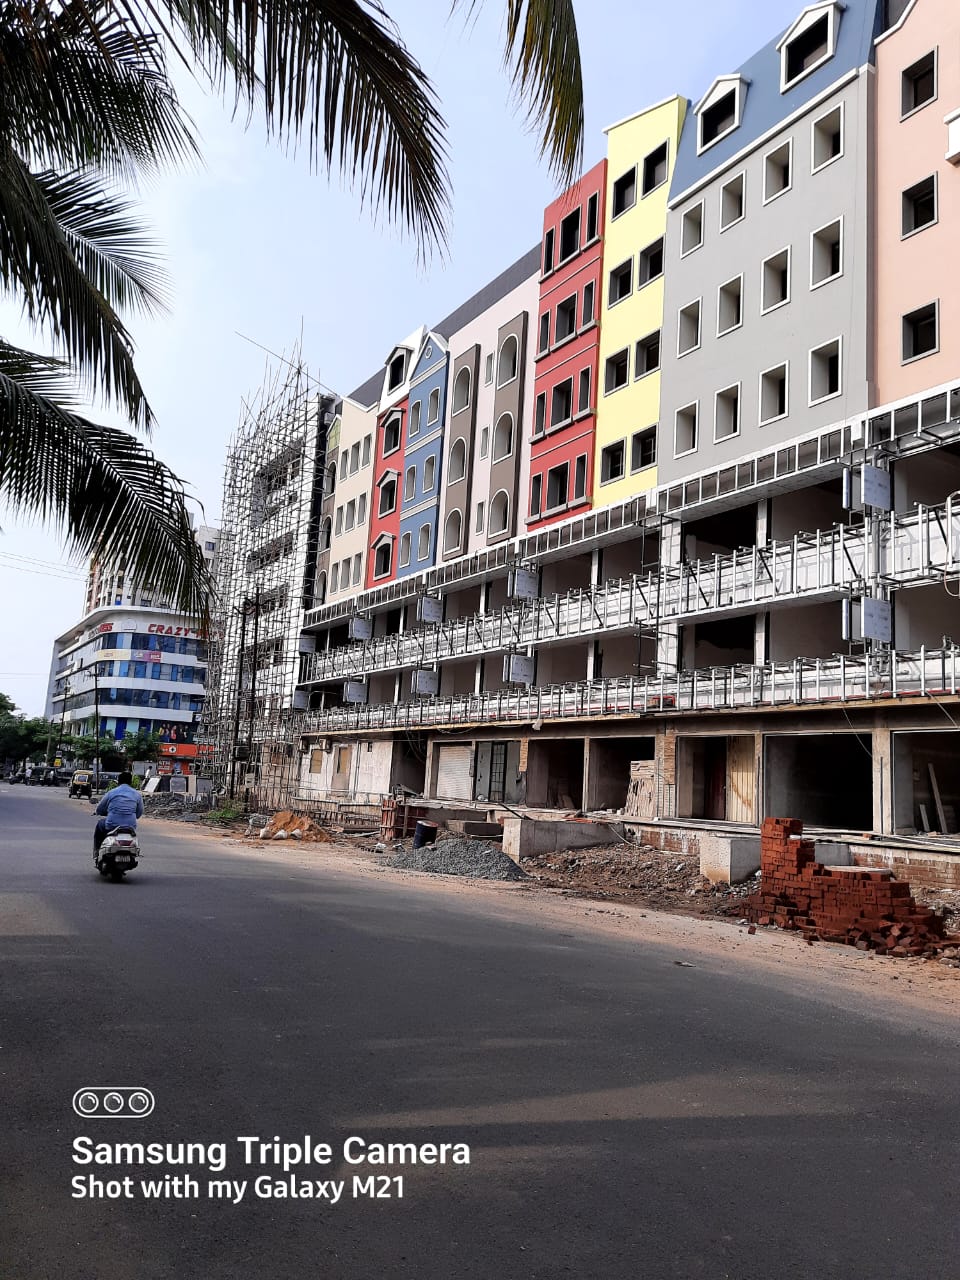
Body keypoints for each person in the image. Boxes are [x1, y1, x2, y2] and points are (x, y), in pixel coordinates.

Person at [93, 771, 144, 852]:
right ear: (130, 782)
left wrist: (98, 812)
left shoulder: (111, 793)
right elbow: (139, 813)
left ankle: (97, 851)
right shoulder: (137, 795)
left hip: (112, 825)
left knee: (100, 824)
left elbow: (99, 809)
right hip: (130, 826)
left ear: (118, 781)